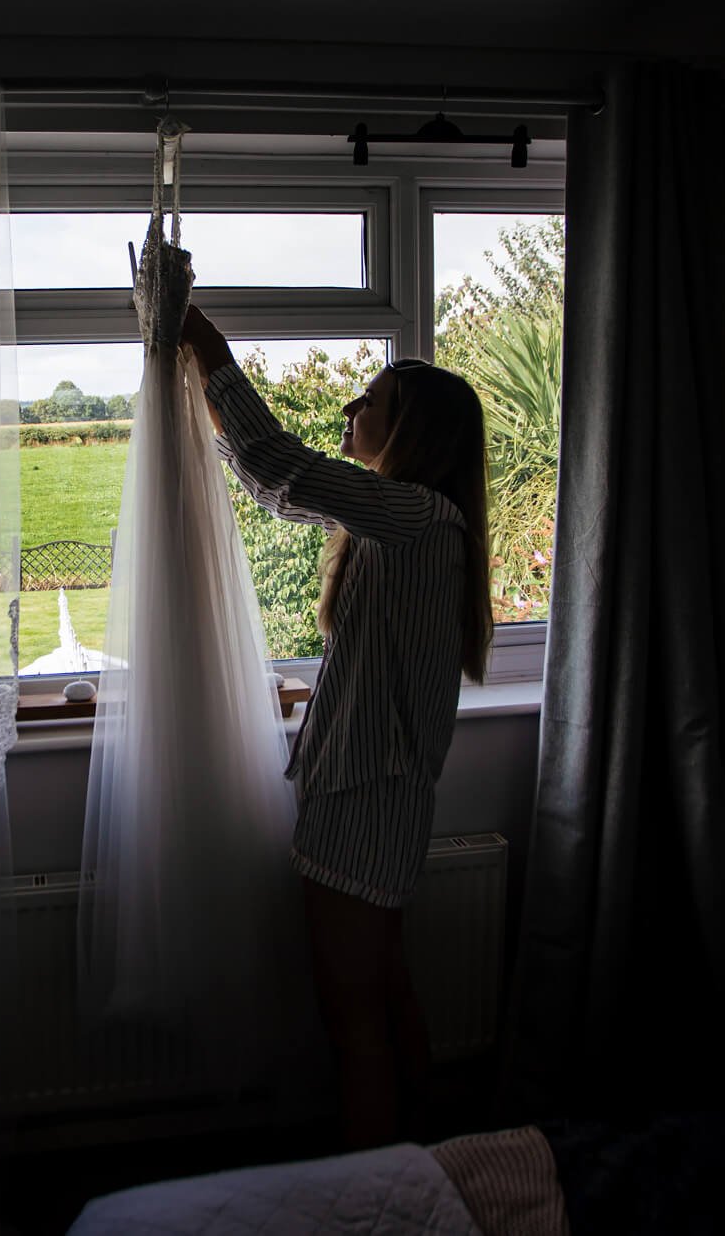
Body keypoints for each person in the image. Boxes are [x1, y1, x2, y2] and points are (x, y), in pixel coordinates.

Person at [179, 303, 492, 1149]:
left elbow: (280, 468)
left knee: (355, 1024)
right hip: (370, 799)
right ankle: (426, 1158)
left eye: (372, 400)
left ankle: (379, 1190)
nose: (352, 410)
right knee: (383, 994)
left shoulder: (419, 519)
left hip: (363, 805)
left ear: (413, 431)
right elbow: (267, 480)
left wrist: (203, 339)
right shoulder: (405, 525)